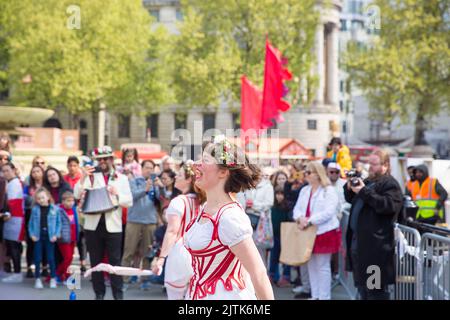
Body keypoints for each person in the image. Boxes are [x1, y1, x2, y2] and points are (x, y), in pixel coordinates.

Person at [184, 136, 274, 300]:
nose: (196, 164)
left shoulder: (229, 217)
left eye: (204, 160)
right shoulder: (206, 208)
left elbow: (258, 273)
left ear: (223, 172)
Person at [74, 145, 133, 300]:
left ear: (112, 159)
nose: (103, 162)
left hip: (113, 226)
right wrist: (82, 177)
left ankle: (117, 295)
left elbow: (129, 201)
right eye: (99, 159)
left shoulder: (122, 178)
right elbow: (76, 193)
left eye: (106, 158)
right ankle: (99, 294)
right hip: (92, 225)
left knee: (115, 263)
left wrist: (117, 194)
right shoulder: (91, 176)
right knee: (95, 262)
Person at [344, 149, 403, 300]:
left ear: (385, 165)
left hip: (375, 249)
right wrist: (350, 187)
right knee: (363, 289)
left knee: (375, 291)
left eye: (374, 164)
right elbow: (353, 200)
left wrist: (363, 191)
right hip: (360, 245)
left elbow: (388, 205)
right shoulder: (370, 181)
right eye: (369, 163)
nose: (370, 167)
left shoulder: (390, 184)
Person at [151, 160, 205, 299]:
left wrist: (161, 258)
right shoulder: (205, 202)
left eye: (180, 175)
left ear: (189, 180)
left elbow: (172, 231)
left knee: (175, 296)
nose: (175, 177)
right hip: (201, 253)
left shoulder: (179, 201)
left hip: (181, 252)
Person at [293, 162, 341, 300]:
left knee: (323, 266)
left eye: (309, 172)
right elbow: (297, 209)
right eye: (305, 172)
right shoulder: (305, 190)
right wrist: (300, 218)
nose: (306, 175)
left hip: (324, 232)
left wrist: (308, 221)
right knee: (311, 265)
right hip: (307, 232)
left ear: (317, 174)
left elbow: (329, 212)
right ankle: (315, 296)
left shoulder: (328, 190)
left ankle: (324, 297)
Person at [121, 160, 159, 287]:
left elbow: (160, 200)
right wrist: (145, 189)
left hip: (150, 222)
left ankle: (145, 280)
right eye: (147, 167)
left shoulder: (156, 182)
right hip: (134, 221)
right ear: (141, 169)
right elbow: (131, 196)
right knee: (129, 251)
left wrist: (160, 187)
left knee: (147, 253)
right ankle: (124, 279)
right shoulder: (134, 181)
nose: (149, 170)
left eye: (151, 168)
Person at [28, 187, 62, 289]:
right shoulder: (35, 210)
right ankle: (37, 279)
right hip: (38, 237)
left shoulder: (54, 209)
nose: (41, 200)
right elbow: (30, 224)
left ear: (48, 197)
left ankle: (53, 278)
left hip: (50, 237)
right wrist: (32, 235)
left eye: (43, 197)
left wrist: (56, 234)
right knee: (37, 258)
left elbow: (58, 223)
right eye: (38, 198)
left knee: (51, 258)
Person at [243, 167, 274, 268]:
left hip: (261, 221)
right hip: (246, 218)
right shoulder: (247, 186)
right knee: (247, 250)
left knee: (260, 251)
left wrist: (253, 205)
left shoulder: (267, 186)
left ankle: (262, 275)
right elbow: (242, 201)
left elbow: (268, 203)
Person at [1, 163, 25, 284]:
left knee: (14, 246)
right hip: (10, 219)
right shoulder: (9, 183)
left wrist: (6, 214)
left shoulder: (16, 183)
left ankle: (17, 273)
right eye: (3, 171)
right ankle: (16, 272)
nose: (5, 173)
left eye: (7, 170)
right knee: (11, 246)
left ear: (14, 170)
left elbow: (14, 203)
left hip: (15, 219)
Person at [23, 165, 46, 278]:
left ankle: (45, 267)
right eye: (33, 172)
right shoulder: (28, 187)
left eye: (38, 171)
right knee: (31, 242)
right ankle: (29, 267)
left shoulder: (46, 185)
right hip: (31, 215)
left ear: (42, 172)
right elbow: (25, 198)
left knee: (45, 241)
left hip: (45, 215)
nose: (36, 173)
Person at [269, 186, 292, 287]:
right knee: (274, 256)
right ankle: (272, 276)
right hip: (275, 235)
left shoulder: (287, 207)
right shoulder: (273, 207)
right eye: (277, 194)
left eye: (281, 194)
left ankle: (286, 277)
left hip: (285, 235)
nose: (279, 196)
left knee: (286, 256)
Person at [56, 191, 79, 283]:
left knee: (70, 258)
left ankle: (57, 274)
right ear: (63, 201)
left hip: (72, 238)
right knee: (67, 257)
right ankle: (67, 277)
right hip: (64, 238)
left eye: (72, 201)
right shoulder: (59, 210)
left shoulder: (73, 210)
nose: (71, 203)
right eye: (68, 201)